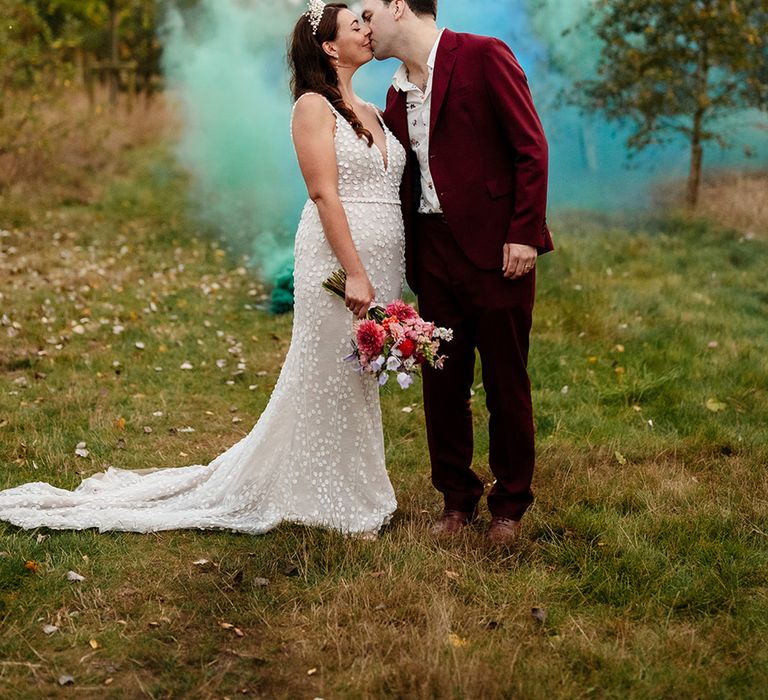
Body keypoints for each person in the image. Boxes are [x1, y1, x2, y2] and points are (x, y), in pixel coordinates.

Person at [0, 2, 406, 539]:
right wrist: (355, 272)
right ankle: (322, 495)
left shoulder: (375, 109)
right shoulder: (314, 106)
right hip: (339, 259)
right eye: (357, 24)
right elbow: (324, 193)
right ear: (329, 47)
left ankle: (354, 484)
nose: (368, 30)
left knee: (357, 378)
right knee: (328, 373)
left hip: (384, 260)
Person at [361, 0, 554, 545]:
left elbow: (530, 148)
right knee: (442, 382)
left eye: (370, 12)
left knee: (504, 379)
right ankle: (456, 499)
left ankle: (509, 507)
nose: (364, 25)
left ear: (399, 7)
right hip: (434, 253)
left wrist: (523, 232)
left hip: (498, 249)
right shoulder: (395, 92)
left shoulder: (484, 55)